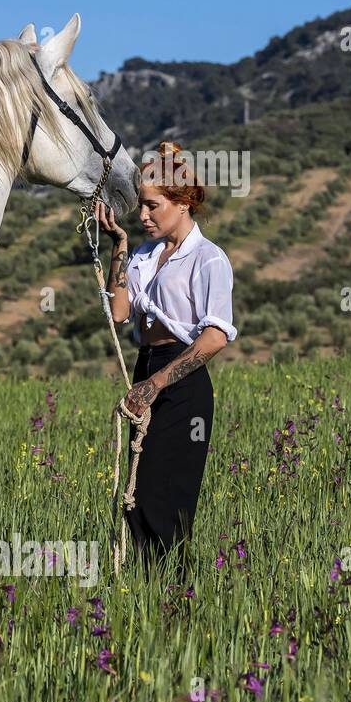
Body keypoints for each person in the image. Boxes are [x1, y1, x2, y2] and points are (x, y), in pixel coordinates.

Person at [94, 141, 238, 581]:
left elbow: (215, 337)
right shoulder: (142, 256)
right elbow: (120, 313)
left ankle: (174, 594)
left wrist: (156, 385)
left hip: (182, 382)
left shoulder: (209, 259)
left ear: (182, 202)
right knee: (136, 495)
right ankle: (141, 592)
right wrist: (118, 244)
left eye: (153, 205)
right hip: (146, 367)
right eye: (141, 206)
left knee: (166, 496)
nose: (143, 216)